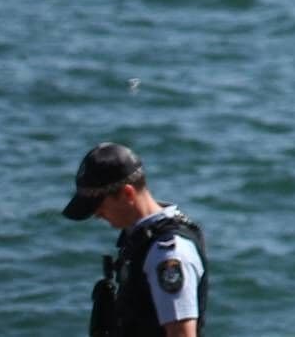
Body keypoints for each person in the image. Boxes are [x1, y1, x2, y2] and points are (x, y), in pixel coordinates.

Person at [64, 141, 207, 336]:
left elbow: (181, 334)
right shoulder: (140, 240)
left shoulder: (168, 253)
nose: (96, 214)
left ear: (127, 194)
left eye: (99, 205)